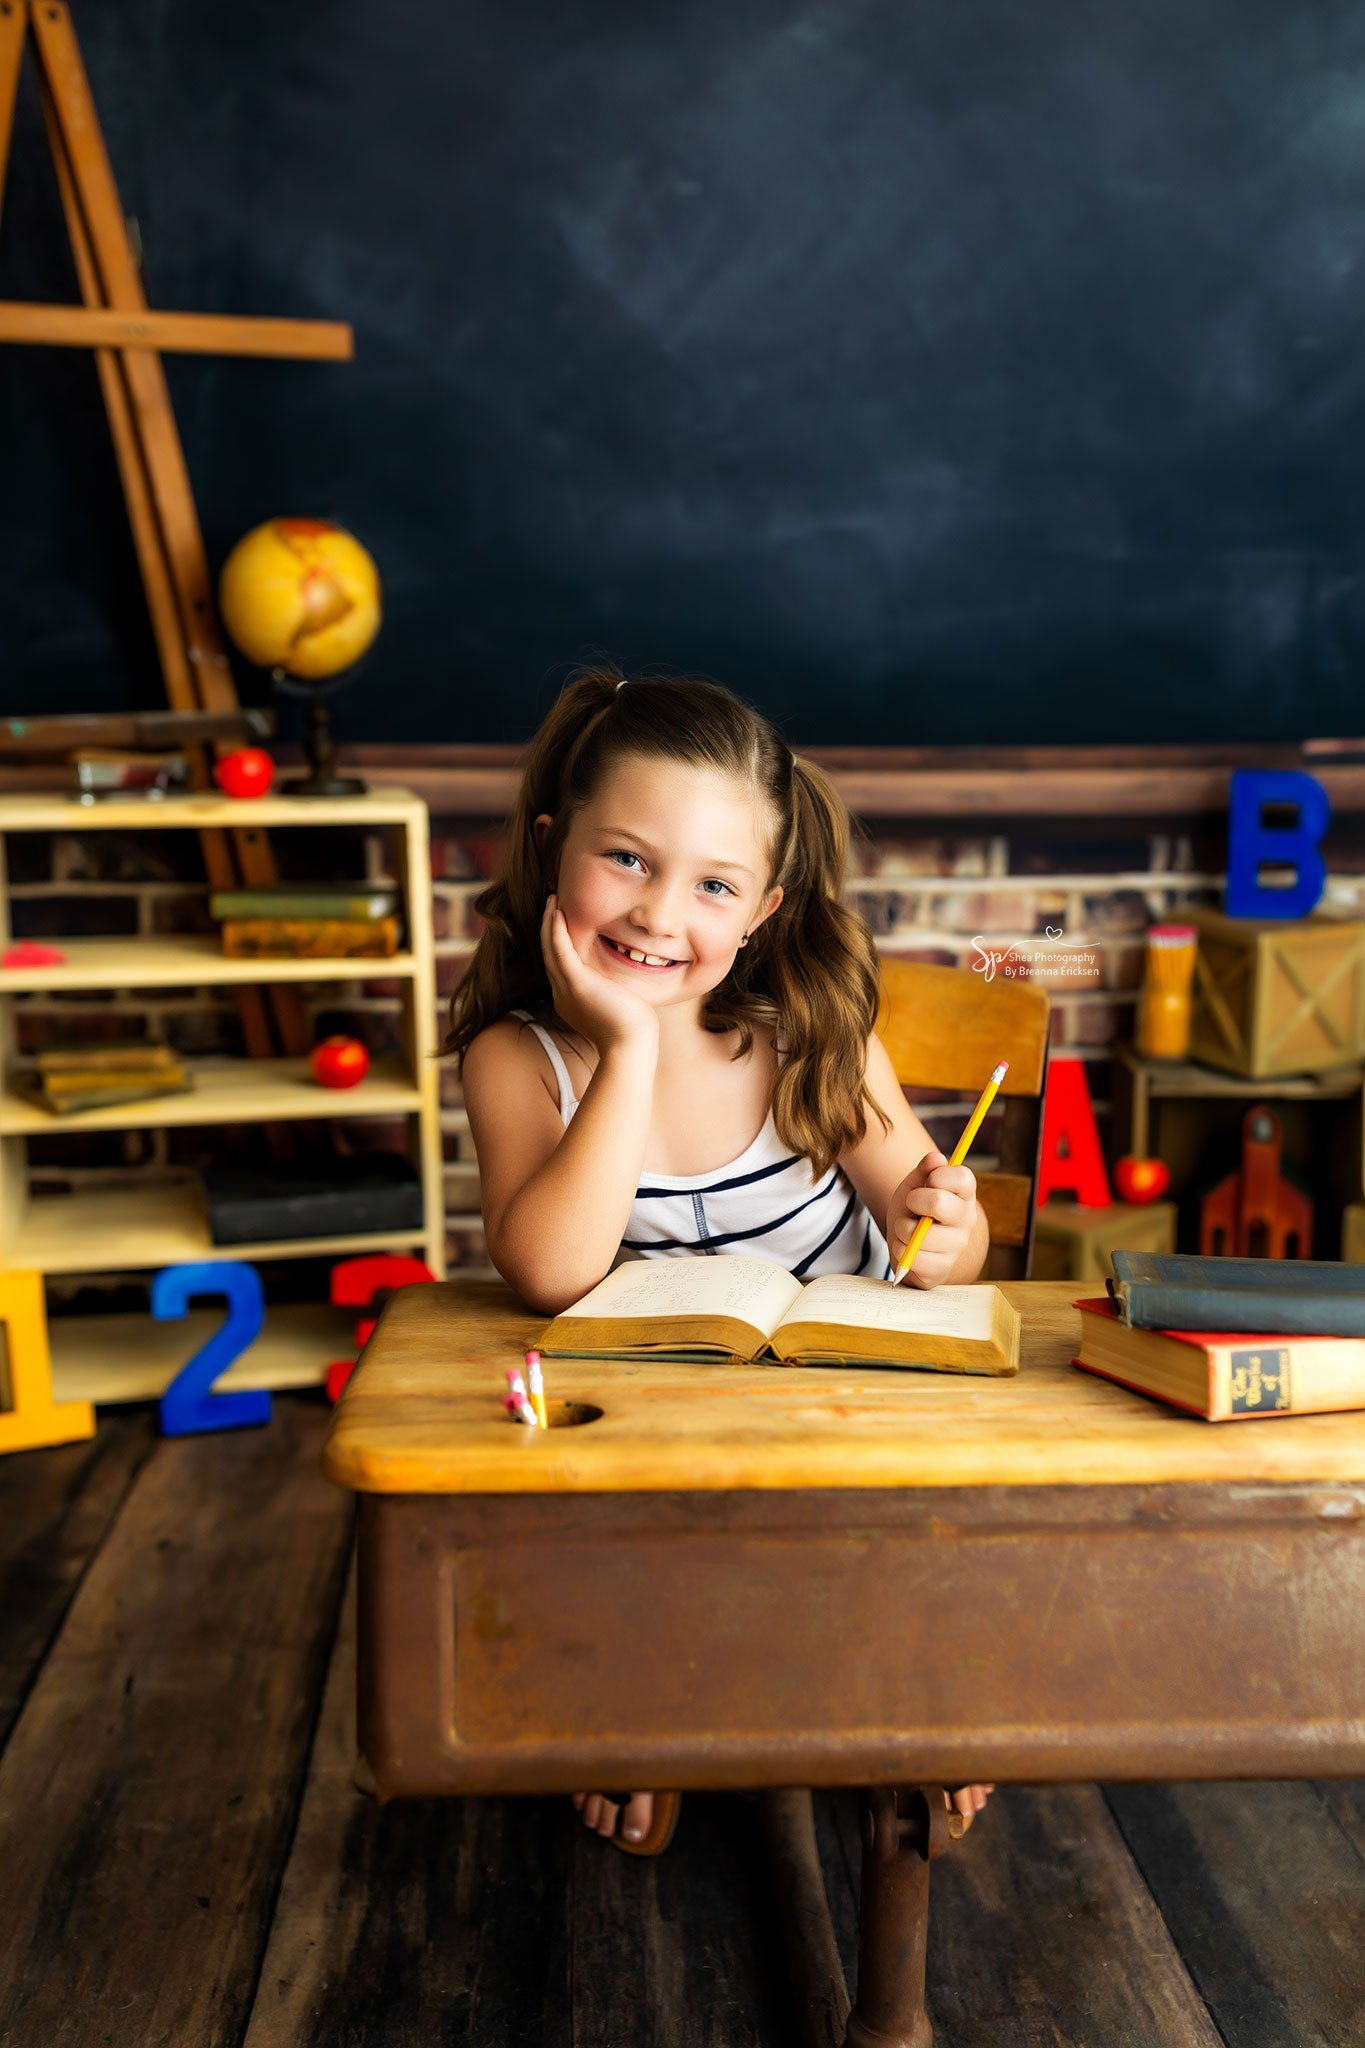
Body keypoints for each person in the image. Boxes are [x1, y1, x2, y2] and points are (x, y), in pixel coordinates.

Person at [449, 668, 995, 1852]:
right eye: (628, 860)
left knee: (919, 1533)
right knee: (594, 1540)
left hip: (847, 1424)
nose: (657, 914)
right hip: (654, 1445)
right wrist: (626, 1047)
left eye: (712, 884)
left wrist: (947, 1226)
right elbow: (549, 1271)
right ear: (554, 848)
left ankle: (912, 1692)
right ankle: (658, 1705)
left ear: (761, 910)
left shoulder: (806, 1035)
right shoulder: (519, 1060)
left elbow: (933, 1220)